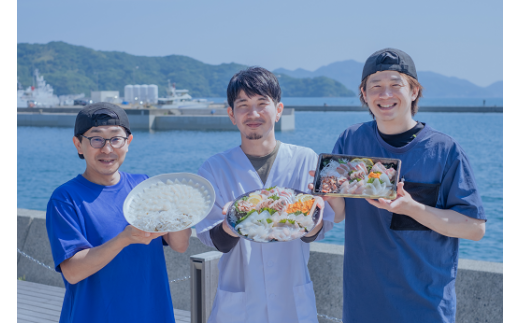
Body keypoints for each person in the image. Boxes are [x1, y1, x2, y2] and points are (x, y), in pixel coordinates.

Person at [311, 48, 486, 323]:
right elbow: (341, 213)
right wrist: (328, 192)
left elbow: (474, 228)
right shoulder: (351, 139)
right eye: (376, 86)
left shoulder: (444, 150)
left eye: (396, 85)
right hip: (362, 306)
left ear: (414, 91)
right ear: (364, 94)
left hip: (424, 309)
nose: (385, 94)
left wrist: (413, 208)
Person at [195, 67, 336, 323]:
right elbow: (216, 241)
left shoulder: (307, 160)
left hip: (292, 305)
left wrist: (314, 218)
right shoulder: (214, 169)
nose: (254, 113)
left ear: (279, 110)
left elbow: (314, 232)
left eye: (262, 103)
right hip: (238, 309)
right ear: (231, 114)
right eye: (243, 105)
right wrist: (230, 223)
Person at [46, 103, 191, 323]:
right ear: (78, 145)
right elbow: (73, 271)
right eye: (96, 139)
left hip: (152, 313)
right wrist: (124, 238)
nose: (107, 149)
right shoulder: (66, 198)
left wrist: (181, 210)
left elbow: (179, 245)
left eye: (116, 138)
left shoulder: (144, 186)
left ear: (128, 142)